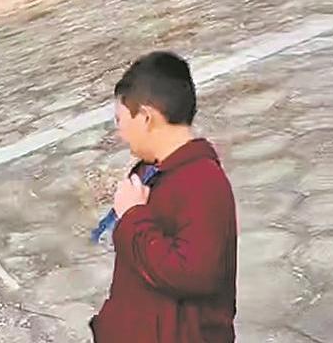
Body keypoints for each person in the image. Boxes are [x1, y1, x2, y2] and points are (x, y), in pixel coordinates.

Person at [90, 51, 237, 343]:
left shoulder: (203, 182)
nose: (120, 133)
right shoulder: (153, 172)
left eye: (120, 120)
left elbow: (193, 274)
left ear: (146, 117)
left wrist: (133, 216)